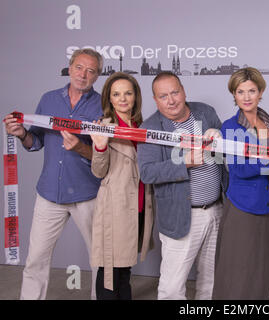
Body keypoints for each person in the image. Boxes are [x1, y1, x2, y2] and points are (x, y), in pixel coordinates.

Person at [3, 48, 104, 299]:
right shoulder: (48, 100)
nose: (83, 74)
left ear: (98, 76)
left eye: (91, 71)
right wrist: (21, 134)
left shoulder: (104, 105)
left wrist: (81, 147)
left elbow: (106, 158)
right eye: (79, 67)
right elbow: (34, 141)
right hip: (49, 193)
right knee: (35, 258)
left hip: (88, 194)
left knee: (100, 261)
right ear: (69, 68)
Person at [137, 71, 227, 300]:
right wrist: (183, 162)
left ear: (183, 90)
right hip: (181, 215)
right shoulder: (151, 127)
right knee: (172, 287)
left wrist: (220, 141)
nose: (171, 100)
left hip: (216, 209)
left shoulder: (205, 112)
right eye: (163, 96)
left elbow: (223, 156)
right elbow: (147, 172)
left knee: (211, 280)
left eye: (175, 92)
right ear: (156, 100)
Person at [212, 67, 269, 300]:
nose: (246, 97)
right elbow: (238, 169)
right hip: (242, 206)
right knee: (237, 270)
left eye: (252, 91)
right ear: (233, 95)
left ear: (261, 92)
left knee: (261, 270)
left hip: (268, 206)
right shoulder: (230, 127)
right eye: (240, 91)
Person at [89, 72, 155, 300]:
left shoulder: (141, 125)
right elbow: (99, 171)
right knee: (110, 271)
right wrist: (99, 147)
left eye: (128, 93)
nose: (123, 99)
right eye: (116, 94)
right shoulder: (104, 126)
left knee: (125, 270)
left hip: (138, 206)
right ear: (109, 98)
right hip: (115, 207)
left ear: (136, 96)